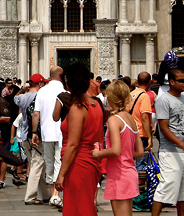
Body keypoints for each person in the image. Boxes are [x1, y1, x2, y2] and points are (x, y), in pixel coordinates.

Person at [151, 68, 184, 216]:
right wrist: (183, 145)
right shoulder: (163, 100)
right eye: (181, 81)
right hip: (170, 151)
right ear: (172, 82)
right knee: (166, 188)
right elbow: (164, 128)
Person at [54, 63, 102, 216]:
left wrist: (61, 174)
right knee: (84, 205)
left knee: (78, 207)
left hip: (78, 163)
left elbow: (73, 144)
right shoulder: (96, 105)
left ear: (68, 82)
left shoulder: (78, 108)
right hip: (91, 161)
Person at [92, 79, 144, 216]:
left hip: (118, 174)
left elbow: (115, 150)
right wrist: (126, 153)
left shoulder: (114, 120)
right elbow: (139, 151)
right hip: (130, 172)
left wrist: (98, 153)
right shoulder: (130, 118)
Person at [32, 65, 65, 207]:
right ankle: (56, 195)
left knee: (49, 162)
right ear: (61, 76)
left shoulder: (42, 91)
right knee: (59, 161)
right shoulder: (65, 92)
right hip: (62, 132)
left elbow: (36, 113)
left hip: (46, 132)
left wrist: (34, 132)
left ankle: (53, 194)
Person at [15, 74, 51, 205]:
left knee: (36, 163)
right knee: (38, 163)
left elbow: (14, 98)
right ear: (40, 84)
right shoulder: (40, 96)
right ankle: (30, 196)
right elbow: (37, 114)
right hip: (36, 134)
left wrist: (23, 89)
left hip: (25, 134)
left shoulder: (22, 97)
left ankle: (45, 193)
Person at [129, 72, 155, 152]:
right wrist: (149, 136)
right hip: (141, 134)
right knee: (141, 162)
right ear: (149, 82)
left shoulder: (130, 94)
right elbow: (145, 117)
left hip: (130, 132)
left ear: (137, 81)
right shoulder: (144, 96)